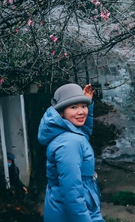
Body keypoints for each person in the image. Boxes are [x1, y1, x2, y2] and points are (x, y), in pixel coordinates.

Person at [37, 83, 104, 221]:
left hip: (63, 208)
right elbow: (71, 192)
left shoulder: (68, 132)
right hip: (74, 213)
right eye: (74, 107)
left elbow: (83, 132)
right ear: (61, 113)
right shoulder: (69, 143)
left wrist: (88, 104)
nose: (81, 112)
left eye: (83, 106)